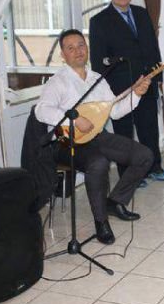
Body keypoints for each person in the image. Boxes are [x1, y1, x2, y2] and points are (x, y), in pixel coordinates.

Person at [36, 30, 153, 244]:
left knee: (144, 155)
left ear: (87, 48)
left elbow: (114, 111)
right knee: (98, 163)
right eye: (70, 48)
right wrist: (74, 119)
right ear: (63, 54)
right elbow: (41, 111)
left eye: (81, 45)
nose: (77, 51)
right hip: (66, 142)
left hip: (95, 136)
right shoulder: (58, 82)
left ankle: (115, 202)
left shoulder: (97, 79)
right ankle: (101, 222)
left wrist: (136, 94)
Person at [89, 0, 164, 186]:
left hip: (147, 81)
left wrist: (158, 77)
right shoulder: (99, 21)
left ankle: (154, 167)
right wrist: (107, 90)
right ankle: (129, 175)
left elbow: (153, 47)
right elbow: (98, 61)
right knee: (124, 133)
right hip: (121, 87)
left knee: (149, 129)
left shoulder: (141, 13)